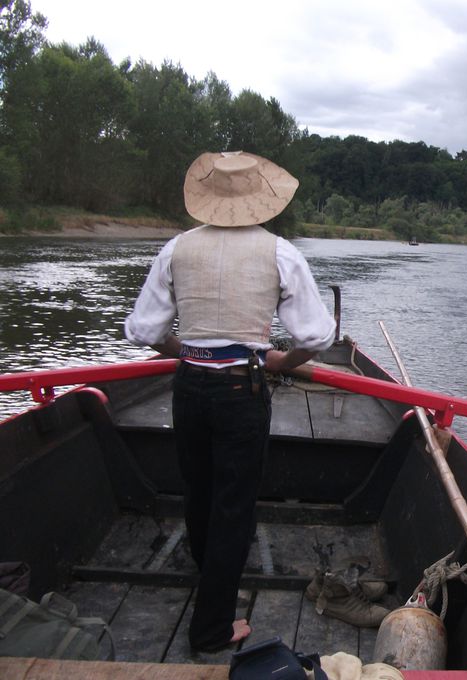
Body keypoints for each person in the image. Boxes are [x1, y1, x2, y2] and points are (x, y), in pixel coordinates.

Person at [124, 151, 335, 651]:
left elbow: (145, 330)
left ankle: (208, 575)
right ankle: (213, 628)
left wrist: (185, 350)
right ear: (261, 199)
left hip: (190, 386)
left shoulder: (176, 249)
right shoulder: (279, 252)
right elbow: (319, 336)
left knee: (199, 491)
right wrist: (281, 362)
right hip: (242, 388)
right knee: (233, 506)